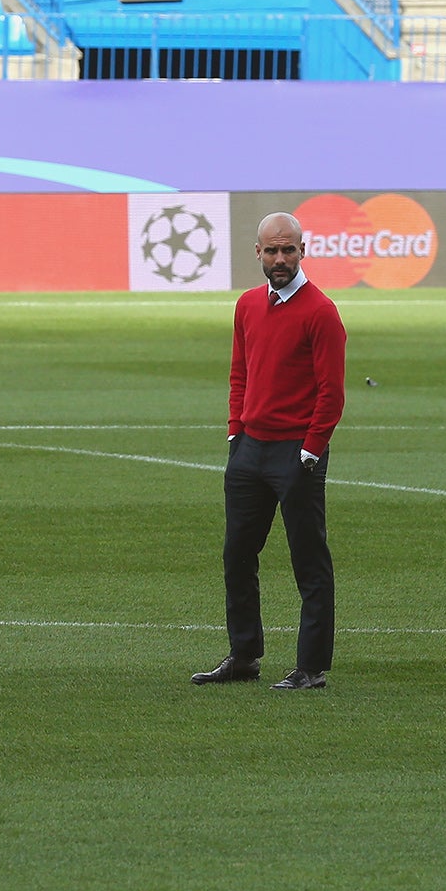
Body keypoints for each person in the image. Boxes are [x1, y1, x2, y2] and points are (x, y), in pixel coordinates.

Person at [193, 211, 346, 691]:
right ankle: (244, 656)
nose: (281, 259)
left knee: (308, 560)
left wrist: (311, 449)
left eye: (289, 250)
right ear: (257, 253)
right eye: (272, 251)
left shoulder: (321, 311)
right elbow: (240, 371)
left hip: (295, 454)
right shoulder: (246, 306)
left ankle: (311, 668)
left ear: (304, 251)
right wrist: (236, 429)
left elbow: (332, 392)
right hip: (250, 451)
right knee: (237, 553)